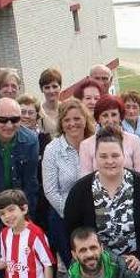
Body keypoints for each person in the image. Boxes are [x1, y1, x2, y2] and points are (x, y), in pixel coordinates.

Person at [65, 129, 140, 278]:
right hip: (97, 267)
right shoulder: (80, 190)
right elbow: (72, 228)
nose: (110, 161)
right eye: (103, 156)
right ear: (95, 158)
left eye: (115, 155)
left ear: (123, 155)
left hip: (138, 265)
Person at [42, 99, 94, 268]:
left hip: (96, 213)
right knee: (75, 266)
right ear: (61, 123)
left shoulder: (95, 143)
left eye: (77, 118)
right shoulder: (52, 149)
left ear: (85, 119)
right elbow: (50, 190)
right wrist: (71, 214)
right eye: (67, 120)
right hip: (63, 215)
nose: (72, 123)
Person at [78, 94, 140, 176]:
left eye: (114, 115)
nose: (110, 120)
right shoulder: (86, 145)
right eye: (105, 115)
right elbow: (85, 179)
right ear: (98, 119)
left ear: (120, 116)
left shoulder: (134, 140)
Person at [38, 68, 62, 136]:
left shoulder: (66, 109)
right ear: (41, 89)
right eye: (47, 87)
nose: (51, 91)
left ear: (60, 87)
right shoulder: (38, 112)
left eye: (54, 86)